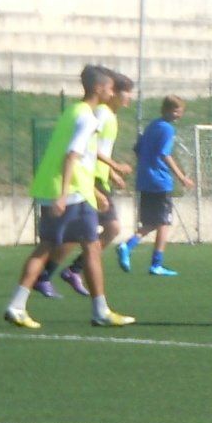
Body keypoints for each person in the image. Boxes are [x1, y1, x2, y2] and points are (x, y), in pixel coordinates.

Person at [3, 64, 134, 330]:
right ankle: (100, 311)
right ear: (99, 88)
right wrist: (65, 194)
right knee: (91, 248)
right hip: (72, 193)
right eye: (110, 88)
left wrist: (97, 187)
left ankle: (16, 305)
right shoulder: (88, 118)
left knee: (47, 248)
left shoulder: (73, 112)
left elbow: (79, 153)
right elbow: (72, 155)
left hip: (59, 189)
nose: (112, 92)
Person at [61, 69, 134, 292]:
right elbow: (88, 147)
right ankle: (69, 270)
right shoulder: (102, 114)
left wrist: (112, 173)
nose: (129, 97)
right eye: (126, 92)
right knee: (110, 228)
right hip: (91, 177)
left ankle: (61, 270)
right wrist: (115, 166)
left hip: (99, 177)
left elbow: (99, 149)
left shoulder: (110, 116)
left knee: (89, 231)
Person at [123, 94, 194, 275]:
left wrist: (146, 165)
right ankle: (154, 263)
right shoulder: (167, 129)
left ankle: (130, 247)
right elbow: (164, 154)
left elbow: (137, 149)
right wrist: (182, 177)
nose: (180, 115)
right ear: (170, 111)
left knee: (152, 221)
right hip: (160, 181)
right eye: (178, 111)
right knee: (164, 222)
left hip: (145, 179)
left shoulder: (152, 126)